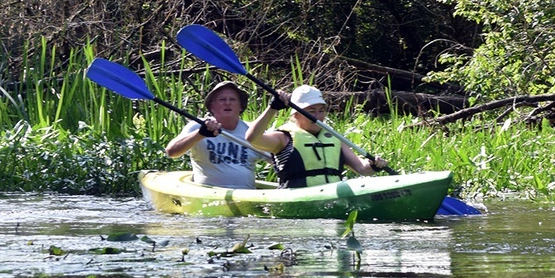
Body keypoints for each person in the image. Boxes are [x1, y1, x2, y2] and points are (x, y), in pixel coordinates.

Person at [245, 84, 388, 188]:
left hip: (331, 197)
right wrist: (273, 108)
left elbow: (362, 169)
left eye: (321, 110)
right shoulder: (284, 138)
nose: (317, 116)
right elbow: (252, 138)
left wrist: (374, 165)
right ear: (296, 115)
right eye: (311, 111)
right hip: (296, 197)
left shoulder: (334, 138)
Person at [165, 81, 266, 189]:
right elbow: (171, 152)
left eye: (232, 99)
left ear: (241, 106)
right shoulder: (197, 126)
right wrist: (200, 134)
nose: (227, 103)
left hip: (246, 194)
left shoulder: (253, 131)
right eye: (222, 99)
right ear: (212, 107)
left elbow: (275, 159)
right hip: (207, 194)